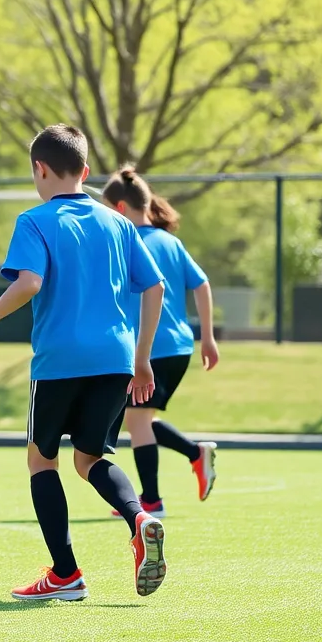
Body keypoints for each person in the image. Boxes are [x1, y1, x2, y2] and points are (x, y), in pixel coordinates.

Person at [0, 125, 168, 600]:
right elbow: (155, 286)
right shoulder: (119, 222)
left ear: (39, 169)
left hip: (60, 361)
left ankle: (65, 575)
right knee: (90, 458)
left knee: (42, 460)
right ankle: (139, 517)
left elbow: (28, 284)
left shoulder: (36, 220)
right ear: (86, 172)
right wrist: (143, 359)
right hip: (117, 359)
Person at [102, 167, 219, 514]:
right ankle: (194, 454)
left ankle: (151, 500)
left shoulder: (126, 242)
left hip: (151, 350)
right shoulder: (171, 241)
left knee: (137, 421)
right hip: (179, 347)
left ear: (120, 208)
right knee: (140, 420)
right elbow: (202, 284)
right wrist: (208, 337)